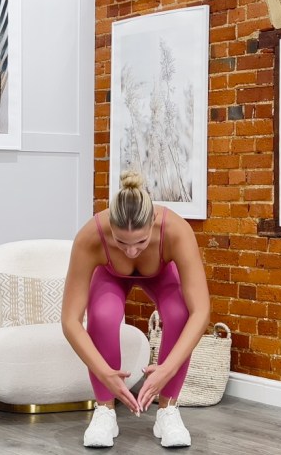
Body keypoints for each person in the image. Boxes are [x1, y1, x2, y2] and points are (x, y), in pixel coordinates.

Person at [62, 170, 211, 448]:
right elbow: (70, 320)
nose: (131, 252)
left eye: (140, 242)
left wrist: (168, 367)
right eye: (121, 243)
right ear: (110, 227)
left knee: (179, 314)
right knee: (103, 316)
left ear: (154, 221)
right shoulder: (90, 236)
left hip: (161, 275)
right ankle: (104, 411)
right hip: (110, 276)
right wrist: (104, 372)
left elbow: (201, 311)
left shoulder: (176, 231)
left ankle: (168, 410)